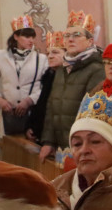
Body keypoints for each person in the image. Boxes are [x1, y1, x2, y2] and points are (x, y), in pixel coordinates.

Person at [38, 11, 105, 161]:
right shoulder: (62, 69)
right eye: (67, 36)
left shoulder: (97, 69)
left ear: (89, 41)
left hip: (84, 147)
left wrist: (83, 145)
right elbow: (51, 107)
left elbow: (92, 111)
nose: (70, 39)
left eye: (76, 35)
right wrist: (48, 141)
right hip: (62, 146)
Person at [0, 15, 47, 136]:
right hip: (9, 115)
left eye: (33, 37)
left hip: (32, 113)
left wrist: (29, 100)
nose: (31, 40)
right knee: (10, 149)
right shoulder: (1, 56)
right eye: (26, 36)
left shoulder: (41, 59)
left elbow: (45, 86)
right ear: (16, 36)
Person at [26, 30, 65, 145]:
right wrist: (31, 126)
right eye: (48, 53)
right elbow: (41, 104)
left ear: (67, 54)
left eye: (55, 52)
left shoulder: (67, 76)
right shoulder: (48, 75)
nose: (50, 56)